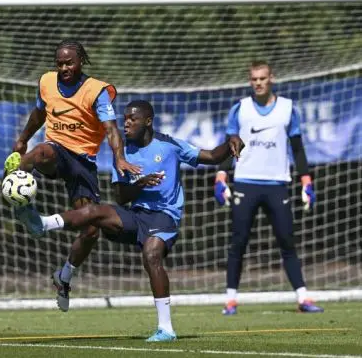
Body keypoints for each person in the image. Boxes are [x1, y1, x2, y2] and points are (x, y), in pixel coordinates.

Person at [15, 100, 244, 342]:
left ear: (147, 121)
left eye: (132, 119)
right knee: (96, 212)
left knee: (152, 254)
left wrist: (231, 142)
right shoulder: (122, 153)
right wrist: (140, 184)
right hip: (136, 216)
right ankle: (43, 224)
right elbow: (121, 197)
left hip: (165, 216)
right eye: (124, 119)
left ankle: (166, 329)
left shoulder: (169, 145)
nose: (126, 124)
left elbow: (210, 156)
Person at [3, 40, 140, 312]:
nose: (64, 67)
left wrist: (119, 157)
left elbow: (112, 130)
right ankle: (24, 208)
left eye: (70, 63)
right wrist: (22, 140)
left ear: (80, 62)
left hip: (83, 161)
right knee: (40, 153)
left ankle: (64, 276)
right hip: (56, 150)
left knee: (90, 230)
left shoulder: (97, 91)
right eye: (60, 63)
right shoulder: (46, 82)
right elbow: (39, 113)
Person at [214, 60, 323, 315]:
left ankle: (303, 298)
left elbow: (297, 148)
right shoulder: (240, 109)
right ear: (250, 81)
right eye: (254, 79)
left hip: (277, 183)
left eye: (262, 78)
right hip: (245, 182)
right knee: (238, 242)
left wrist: (306, 181)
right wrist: (221, 176)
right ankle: (230, 300)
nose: (258, 83)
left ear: (271, 78)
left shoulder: (287, 108)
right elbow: (230, 146)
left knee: (287, 241)